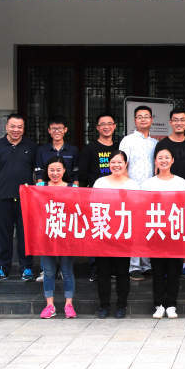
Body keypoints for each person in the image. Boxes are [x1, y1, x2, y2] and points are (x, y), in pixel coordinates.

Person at [0, 113, 37, 282]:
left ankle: (27, 267)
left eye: (19, 127)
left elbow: (38, 173)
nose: (16, 130)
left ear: (24, 128)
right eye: (13, 126)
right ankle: (2, 267)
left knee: (25, 235)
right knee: (3, 235)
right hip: (3, 197)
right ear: (7, 127)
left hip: (26, 199)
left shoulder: (31, 146)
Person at [141, 146, 185, 320]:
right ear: (155, 161)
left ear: (173, 160)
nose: (164, 160)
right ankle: (159, 304)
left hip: (175, 231)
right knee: (158, 271)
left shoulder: (181, 182)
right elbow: (143, 207)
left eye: (167, 157)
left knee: (174, 271)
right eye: (160, 157)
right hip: (156, 231)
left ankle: (172, 304)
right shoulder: (148, 183)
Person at [93, 150, 140, 319]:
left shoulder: (133, 185)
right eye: (113, 162)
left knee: (122, 272)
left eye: (119, 162)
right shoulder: (100, 182)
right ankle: (104, 305)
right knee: (103, 272)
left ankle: (121, 305)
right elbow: (93, 205)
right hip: (104, 232)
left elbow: (137, 208)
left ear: (125, 164)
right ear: (108, 164)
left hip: (123, 234)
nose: (116, 165)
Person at [154, 108, 185, 279]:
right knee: (166, 228)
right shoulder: (162, 144)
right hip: (164, 191)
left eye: (182, 120)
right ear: (170, 122)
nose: (179, 123)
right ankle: (166, 263)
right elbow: (156, 167)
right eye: (175, 120)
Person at [78, 113, 119, 283]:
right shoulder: (89, 149)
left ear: (114, 126)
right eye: (103, 124)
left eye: (110, 123)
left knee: (115, 233)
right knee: (97, 233)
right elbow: (82, 174)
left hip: (117, 198)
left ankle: (114, 268)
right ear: (97, 128)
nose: (106, 127)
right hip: (96, 198)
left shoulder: (119, 146)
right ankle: (96, 269)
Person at [35, 157, 78, 319]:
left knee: (67, 271)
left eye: (58, 170)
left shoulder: (73, 188)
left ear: (64, 171)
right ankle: (50, 305)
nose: (55, 173)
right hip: (46, 235)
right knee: (48, 272)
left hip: (66, 236)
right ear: (47, 171)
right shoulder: (40, 187)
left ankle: (69, 305)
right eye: (51, 170)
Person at [119, 105, 157, 281]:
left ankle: (147, 264)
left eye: (146, 116)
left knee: (149, 227)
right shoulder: (127, 140)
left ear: (151, 120)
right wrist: (129, 187)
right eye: (139, 116)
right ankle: (134, 266)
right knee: (134, 228)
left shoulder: (155, 143)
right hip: (133, 190)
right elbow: (122, 164)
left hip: (150, 191)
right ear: (135, 120)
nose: (143, 119)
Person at [35, 116, 79, 186]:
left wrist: (75, 189)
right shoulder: (41, 150)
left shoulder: (73, 150)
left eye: (60, 128)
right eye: (54, 129)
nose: (57, 131)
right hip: (47, 188)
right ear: (49, 130)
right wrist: (41, 189)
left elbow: (76, 173)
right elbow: (39, 173)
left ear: (65, 130)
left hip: (68, 188)